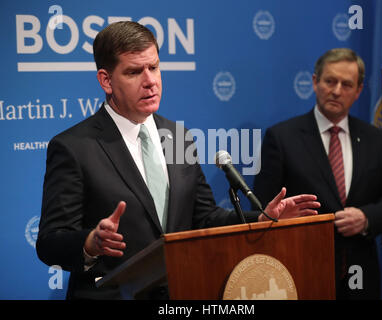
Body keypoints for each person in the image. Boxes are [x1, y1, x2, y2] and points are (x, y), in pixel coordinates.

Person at [36, 21, 320, 300]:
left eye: (154, 67)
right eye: (134, 71)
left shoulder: (177, 135)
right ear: (106, 80)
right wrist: (90, 243)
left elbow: (204, 217)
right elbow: (50, 242)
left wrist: (260, 218)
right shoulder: (74, 146)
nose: (150, 81)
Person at [253, 48, 382, 300]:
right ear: (315, 82)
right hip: (300, 271)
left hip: (361, 275)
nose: (336, 90)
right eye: (330, 81)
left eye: (346, 84)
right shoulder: (282, 138)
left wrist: (367, 218)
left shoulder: (376, 140)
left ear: (358, 91)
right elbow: (261, 207)